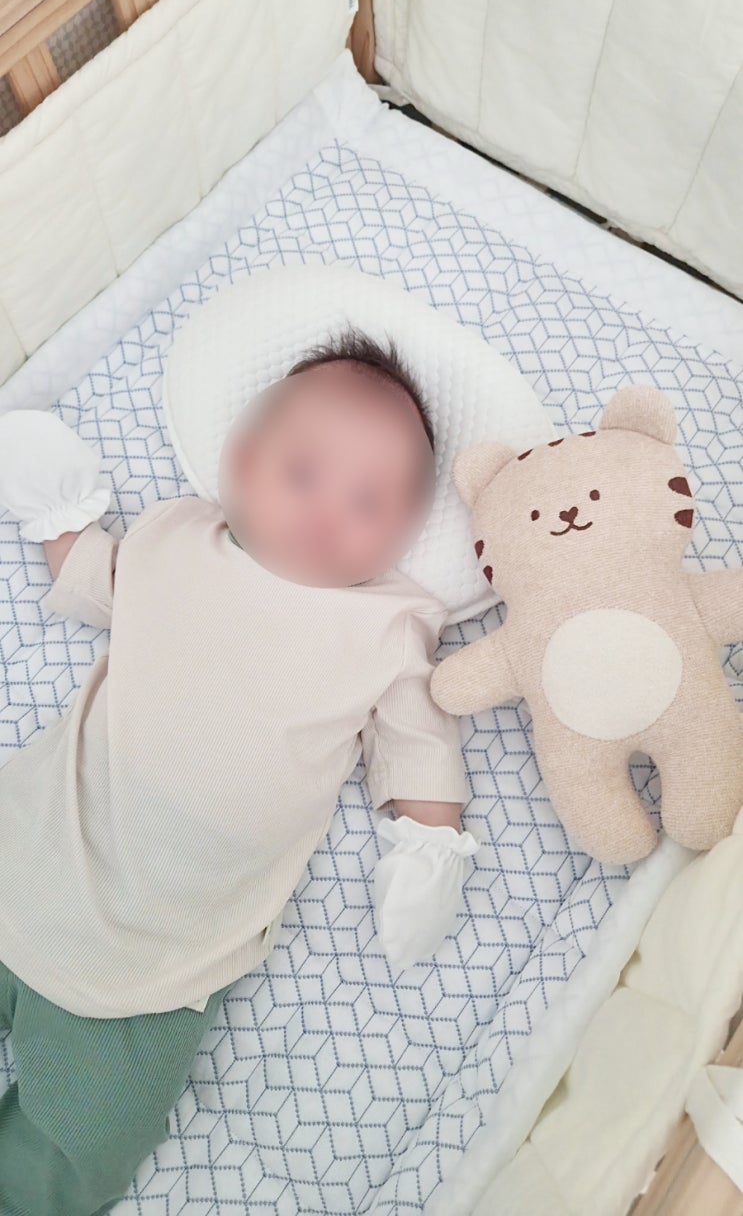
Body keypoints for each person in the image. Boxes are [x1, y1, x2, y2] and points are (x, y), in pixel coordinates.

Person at [0, 330, 476, 1215]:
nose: (329, 511)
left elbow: (419, 739)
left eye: (369, 501)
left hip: (155, 965)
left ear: (407, 532)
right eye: (304, 474)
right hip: (28, 850)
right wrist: (55, 508)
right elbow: (97, 578)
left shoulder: (389, 624)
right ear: (242, 462)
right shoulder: (178, 537)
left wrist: (429, 844)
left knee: (86, 1140)